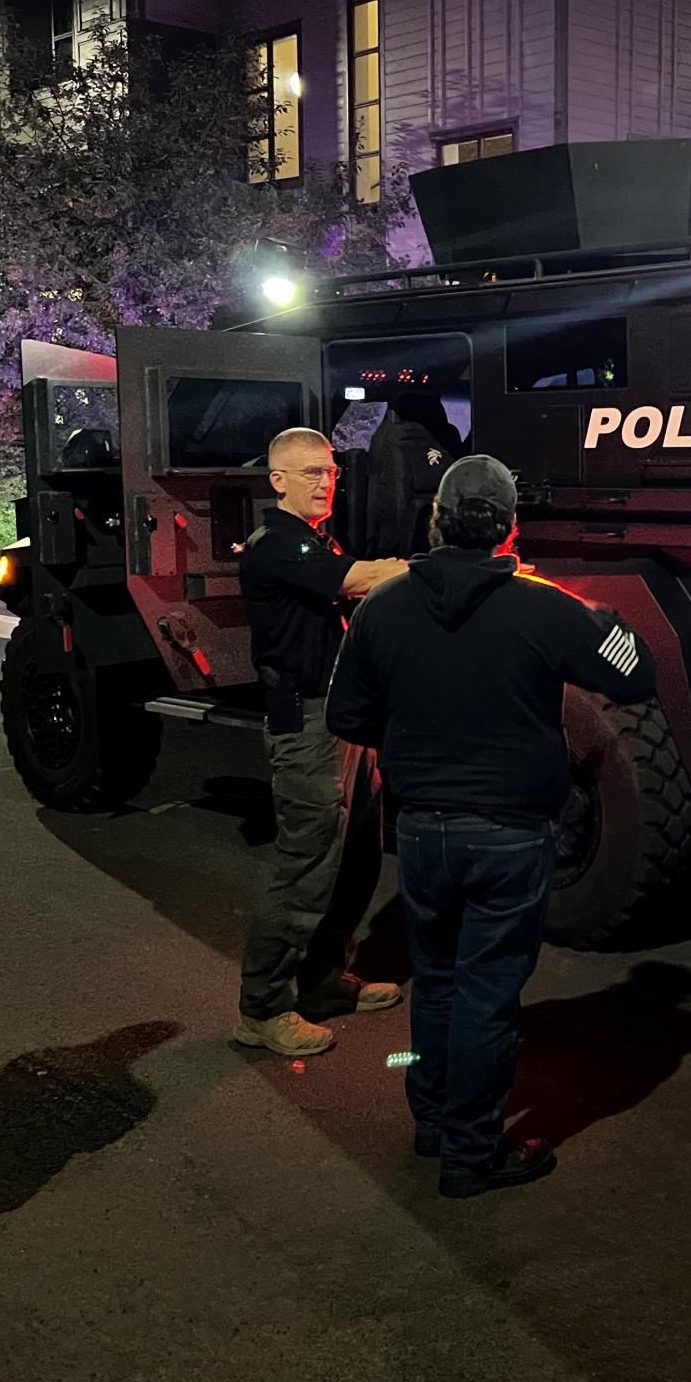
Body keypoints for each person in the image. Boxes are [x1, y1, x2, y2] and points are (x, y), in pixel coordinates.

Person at [326, 455, 656, 1197]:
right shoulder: (544, 608)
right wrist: (607, 619)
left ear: (435, 518)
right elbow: (634, 671)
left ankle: (435, 1124)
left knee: (438, 983)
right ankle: (472, 1154)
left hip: (423, 832)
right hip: (510, 833)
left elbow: (345, 715)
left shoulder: (383, 608)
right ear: (511, 527)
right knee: (486, 994)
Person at [234, 427, 407, 1058]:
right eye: (310, 473)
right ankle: (262, 1008)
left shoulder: (313, 538)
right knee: (305, 867)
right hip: (305, 726)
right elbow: (359, 580)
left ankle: (324, 978)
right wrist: (444, 565)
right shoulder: (275, 545)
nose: (324, 481)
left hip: (345, 721)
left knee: (357, 857)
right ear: (277, 480)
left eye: (329, 472)